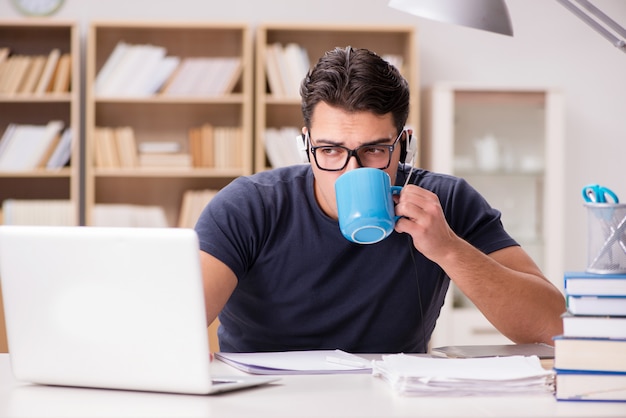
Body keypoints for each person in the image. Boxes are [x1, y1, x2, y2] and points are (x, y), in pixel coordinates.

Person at [194, 46, 566, 353]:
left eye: (373, 150)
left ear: (404, 145)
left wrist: (449, 249)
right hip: (264, 403)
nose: (351, 170)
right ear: (305, 144)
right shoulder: (247, 208)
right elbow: (175, 326)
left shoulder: (446, 203)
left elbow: (554, 327)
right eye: (330, 150)